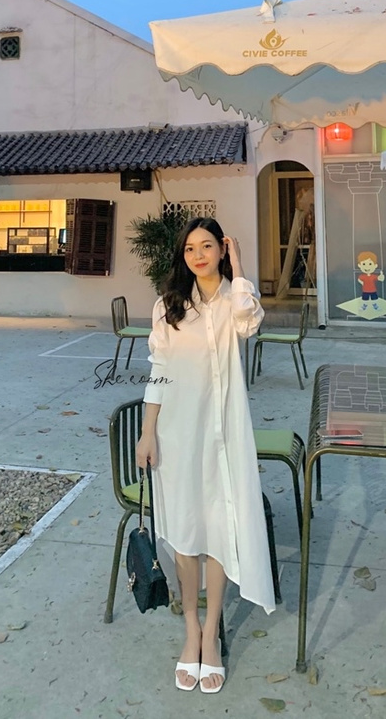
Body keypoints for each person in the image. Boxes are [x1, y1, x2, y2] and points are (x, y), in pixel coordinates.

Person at [135, 217, 275, 695]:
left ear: (222, 250)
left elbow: (249, 324)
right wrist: (148, 432)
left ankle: (212, 630)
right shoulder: (169, 306)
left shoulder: (236, 300)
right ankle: (191, 628)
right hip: (178, 433)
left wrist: (240, 268)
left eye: (208, 246)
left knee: (219, 528)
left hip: (225, 436)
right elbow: (159, 368)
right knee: (186, 531)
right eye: (190, 248)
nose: (198, 255)